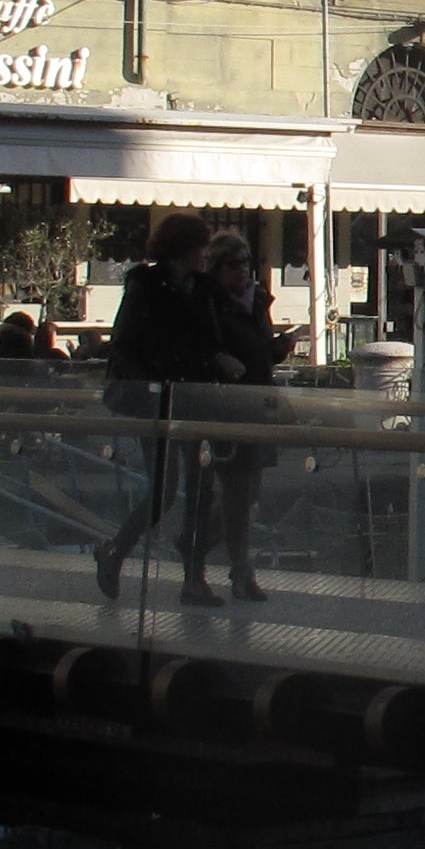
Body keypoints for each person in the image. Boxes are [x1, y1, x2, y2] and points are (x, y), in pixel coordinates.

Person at [92, 215, 225, 605]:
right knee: (165, 489)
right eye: (202, 246)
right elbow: (124, 343)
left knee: (200, 488)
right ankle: (117, 550)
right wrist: (153, 386)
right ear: (184, 247)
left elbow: (210, 340)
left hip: (193, 398)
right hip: (157, 399)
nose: (206, 254)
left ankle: (193, 578)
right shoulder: (145, 285)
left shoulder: (202, 289)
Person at [189, 227, 283, 601]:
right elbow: (205, 349)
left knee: (248, 493)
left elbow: (260, 352)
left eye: (245, 262)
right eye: (231, 264)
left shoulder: (256, 302)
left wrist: (278, 348)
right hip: (226, 407)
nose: (240, 270)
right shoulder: (209, 304)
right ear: (216, 268)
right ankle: (239, 569)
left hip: (258, 404)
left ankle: (193, 545)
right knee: (237, 491)